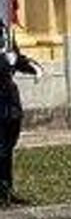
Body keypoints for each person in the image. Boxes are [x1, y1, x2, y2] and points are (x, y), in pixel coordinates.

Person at [0, 11, 41, 207]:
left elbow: (14, 55)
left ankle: (7, 189)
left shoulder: (6, 26)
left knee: (8, 145)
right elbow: (7, 60)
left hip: (9, 97)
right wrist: (4, 62)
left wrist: (30, 66)